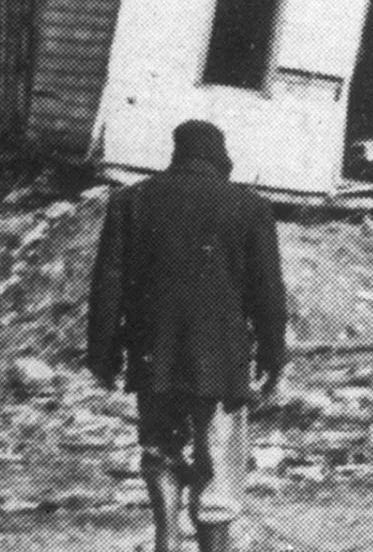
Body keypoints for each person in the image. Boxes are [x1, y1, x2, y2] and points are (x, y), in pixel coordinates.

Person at [87, 121, 287, 552]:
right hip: (221, 361)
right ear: (220, 156)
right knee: (217, 458)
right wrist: (274, 357)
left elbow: (108, 284)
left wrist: (102, 357)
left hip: (153, 356)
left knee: (160, 449)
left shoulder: (131, 200)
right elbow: (268, 291)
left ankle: (167, 537)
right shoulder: (250, 206)